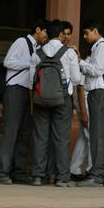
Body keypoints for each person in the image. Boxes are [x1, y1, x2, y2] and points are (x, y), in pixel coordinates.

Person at [0, 21, 48, 184]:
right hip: (15, 89)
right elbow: (8, 62)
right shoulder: (21, 42)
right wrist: (30, 64)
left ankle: (18, 171)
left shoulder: (39, 49)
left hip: (29, 91)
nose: (46, 37)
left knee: (25, 131)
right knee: (11, 130)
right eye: (45, 32)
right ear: (37, 29)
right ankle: (1, 171)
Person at [31, 20, 79, 188]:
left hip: (40, 98)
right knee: (61, 138)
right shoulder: (69, 53)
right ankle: (61, 177)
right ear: (60, 34)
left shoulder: (37, 53)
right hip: (63, 100)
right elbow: (77, 79)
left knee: (40, 137)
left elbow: (32, 79)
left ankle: (38, 176)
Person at [80, 20, 104, 187]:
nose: (85, 37)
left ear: (95, 31)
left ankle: (97, 174)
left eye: (87, 33)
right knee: (100, 134)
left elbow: (96, 70)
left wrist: (80, 62)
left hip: (98, 92)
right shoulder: (98, 47)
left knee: (97, 134)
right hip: (97, 93)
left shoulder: (101, 47)